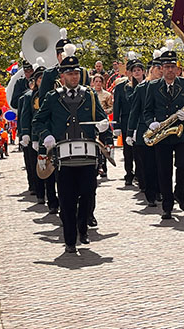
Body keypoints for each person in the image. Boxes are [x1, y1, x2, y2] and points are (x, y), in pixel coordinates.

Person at [33, 44, 112, 253]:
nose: (74, 77)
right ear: (62, 75)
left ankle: (82, 229)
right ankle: (69, 240)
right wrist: (46, 136)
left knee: (87, 194)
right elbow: (38, 121)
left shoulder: (90, 96)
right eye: (70, 73)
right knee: (66, 198)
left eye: (76, 73)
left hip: (87, 155)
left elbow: (102, 120)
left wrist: (105, 129)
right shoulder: (52, 97)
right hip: (64, 156)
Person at [144, 44, 184, 220]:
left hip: (181, 132)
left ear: (177, 68)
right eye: (166, 67)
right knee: (164, 170)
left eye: (172, 67)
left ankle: (180, 195)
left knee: (183, 165)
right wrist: (151, 123)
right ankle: (167, 205)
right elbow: (147, 110)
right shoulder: (153, 86)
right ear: (161, 68)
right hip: (162, 134)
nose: (169, 70)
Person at [20, 64, 59, 213]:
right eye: (40, 78)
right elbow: (28, 117)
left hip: (56, 135)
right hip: (41, 136)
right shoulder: (30, 96)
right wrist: (29, 135)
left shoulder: (58, 93)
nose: (42, 81)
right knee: (45, 168)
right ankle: (48, 198)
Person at [127, 57, 160, 206]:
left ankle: (161, 191)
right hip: (143, 129)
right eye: (158, 68)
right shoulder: (141, 88)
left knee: (161, 163)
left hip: (161, 130)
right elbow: (134, 111)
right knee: (147, 164)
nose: (161, 71)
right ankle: (150, 193)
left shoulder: (163, 86)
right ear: (151, 70)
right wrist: (130, 132)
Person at [113, 56, 138, 186]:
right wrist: (116, 124)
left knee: (139, 149)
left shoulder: (143, 84)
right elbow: (116, 106)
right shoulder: (120, 87)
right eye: (131, 70)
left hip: (140, 120)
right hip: (126, 120)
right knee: (127, 150)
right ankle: (129, 173)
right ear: (127, 72)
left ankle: (139, 173)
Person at [93, 73, 113, 178]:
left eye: (100, 81)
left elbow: (111, 108)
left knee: (103, 145)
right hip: (93, 122)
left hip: (103, 122)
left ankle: (104, 167)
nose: (98, 83)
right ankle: (96, 167)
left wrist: (105, 111)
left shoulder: (107, 95)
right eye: (96, 81)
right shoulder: (90, 94)